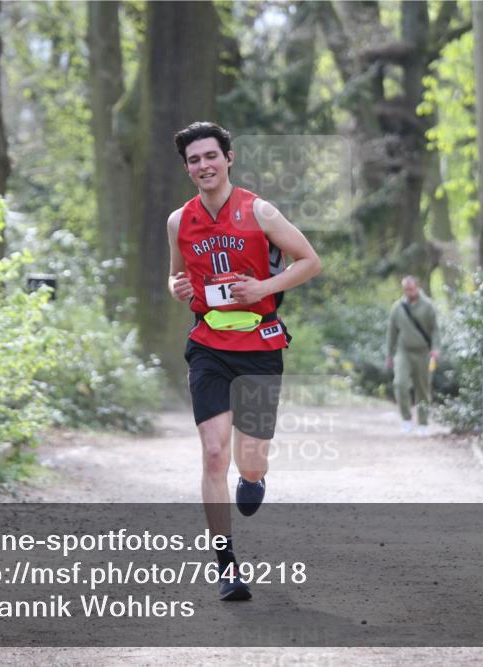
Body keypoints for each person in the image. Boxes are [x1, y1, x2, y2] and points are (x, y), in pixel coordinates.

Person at [166, 122, 321, 601]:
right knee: (213, 453)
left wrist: (263, 289)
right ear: (188, 168)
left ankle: (255, 478)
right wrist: (176, 289)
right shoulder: (178, 221)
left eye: (211, 156)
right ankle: (225, 565)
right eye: (194, 160)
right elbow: (176, 279)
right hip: (208, 345)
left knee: (248, 464)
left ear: (228, 158)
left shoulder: (259, 211)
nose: (203, 166)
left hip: (259, 347)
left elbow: (309, 261)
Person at [386, 275, 439, 436]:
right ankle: (406, 420)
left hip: (423, 352)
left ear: (417, 287)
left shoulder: (428, 306)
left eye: (411, 289)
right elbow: (391, 332)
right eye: (406, 289)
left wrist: (436, 348)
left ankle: (423, 423)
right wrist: (389, 354)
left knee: (423, 389)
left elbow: (435, 329)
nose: (408, 292)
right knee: (400, 384)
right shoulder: (398, 307)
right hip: (404, 351)